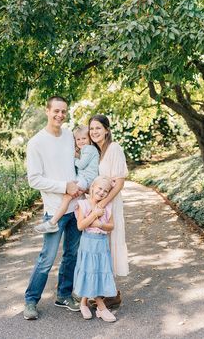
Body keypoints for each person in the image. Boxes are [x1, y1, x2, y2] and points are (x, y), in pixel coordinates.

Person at [23, 96, 82, 320]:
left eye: (64, 111)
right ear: (47, 111)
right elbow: (34, 180)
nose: (60, 115)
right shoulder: (36, 142)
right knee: (46, 259)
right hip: (55, 210)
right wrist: (63, 186)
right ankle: (30, 301)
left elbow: (74, 163)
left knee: (71, 254)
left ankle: (63, 295)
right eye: (56, 111)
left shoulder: (68, 136)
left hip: (75, 208)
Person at [88, 114, 129, 308]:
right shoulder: (97, 151)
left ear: (107, 129)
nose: (94, 132)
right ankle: (106, 291)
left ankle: (112, 293)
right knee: (101, 245)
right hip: (99, 204)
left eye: (98, 128)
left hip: (110, 204)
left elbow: (119, 182)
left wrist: (103, 204)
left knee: (111, 243)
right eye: (91, 128)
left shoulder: (114, 148)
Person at [34, 125, 99, 233]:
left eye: (84, 138)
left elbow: (81, 165)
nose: (81, 141)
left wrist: (72, 157)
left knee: (67, 197)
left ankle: (52, 223)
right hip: (83, 178)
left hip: (86, 179)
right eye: (78, 139)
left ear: (90, 138)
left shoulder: (89, 149)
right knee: (67, 197)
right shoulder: (85, 149)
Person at [73, 176, 117, 322]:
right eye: (99, 188)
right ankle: (101, 307)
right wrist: (94, 215)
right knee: (90, 270)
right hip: (88, 244)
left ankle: (83, 303)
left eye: (106, 191)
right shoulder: (83, 205)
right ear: (92, 187)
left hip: (102, 245)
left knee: (97, 271)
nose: (102, 192)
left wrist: (101, 225)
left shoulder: (107, 206)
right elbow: (80, 226)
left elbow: (111, 226)